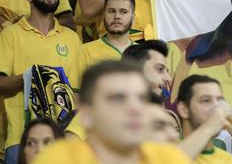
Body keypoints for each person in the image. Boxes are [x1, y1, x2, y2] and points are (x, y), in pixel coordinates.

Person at [33, 60, 191, 164]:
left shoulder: (169, 159)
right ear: (86, 112)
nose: (135, 108)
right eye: (118, 98)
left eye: (141, 98)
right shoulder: (56, 160)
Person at [0, 0, 81, 164]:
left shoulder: (72, 38)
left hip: (61, 138)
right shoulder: (10, 35)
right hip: (20, 138)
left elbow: (77, 92)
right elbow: (1, 83)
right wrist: (33, 76)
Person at [65, 39, 172, 140]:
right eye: (160, 69)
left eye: (167, 71)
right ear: (136, 71)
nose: (168, 78)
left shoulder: (161, 118)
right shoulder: (97, 113)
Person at [176, 75, 232, 164]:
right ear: (184, 109)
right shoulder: (162, 148)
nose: (217, 108)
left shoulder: (229, 160)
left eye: (220, 101)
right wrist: (209, 127)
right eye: (206, 100)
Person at [77, 0, 135, 77]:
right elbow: (76, 90)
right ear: (104, 15)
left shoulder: (145, 53)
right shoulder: (85, 51)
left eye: (124, 12)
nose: (117, 17)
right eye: (111, 11)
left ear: (133, 17)